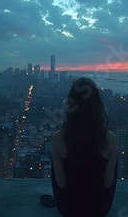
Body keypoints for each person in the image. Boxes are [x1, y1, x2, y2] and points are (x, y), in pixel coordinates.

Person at [50, 77, 117, 217]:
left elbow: (61, 183)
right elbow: (107, 182)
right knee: (113, 156)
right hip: (100, 209)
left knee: (55, 154)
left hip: (69, 209)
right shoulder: (110, 138)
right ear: (97, 105)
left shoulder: (58, 138)